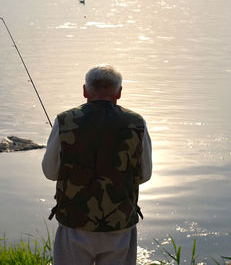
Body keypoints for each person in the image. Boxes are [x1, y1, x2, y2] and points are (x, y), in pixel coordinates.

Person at [42, 64, 152, 265]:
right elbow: (144, 175)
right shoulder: (137, 123)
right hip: (119, 225)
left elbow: (50, 172)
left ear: (85, 90)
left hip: (75, 223)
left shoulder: (64, 120)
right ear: (119, 93)